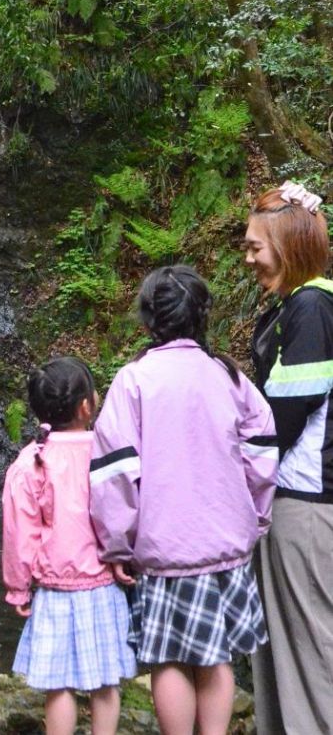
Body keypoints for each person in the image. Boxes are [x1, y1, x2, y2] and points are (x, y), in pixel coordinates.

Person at [89, 265, 278, 735]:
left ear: (148, 321)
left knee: (169, 657)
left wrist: (117, 544)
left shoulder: (133, 381)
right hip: (227, 545)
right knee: (217, 655)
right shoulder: (229, 377)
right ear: (202, 318)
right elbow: (263, 452)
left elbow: (115, 474)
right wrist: (255, 516)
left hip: (163, 547)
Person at [2, 356, 136, 735]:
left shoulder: (31, 462)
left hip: (54, 589)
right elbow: (124, 507)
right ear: (86, 406)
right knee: (105, 683)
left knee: (58, 686)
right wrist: (125, 554)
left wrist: (17, 587)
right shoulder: (105, 451)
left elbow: (18, 532)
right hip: (102, 583)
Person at [245, 180, 333, 735]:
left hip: (303, 505)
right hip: (290, 501)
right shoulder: (299, 306)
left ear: (289, 244)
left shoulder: (311, 308)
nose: (248, 257)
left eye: (256, 246)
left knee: (311, 653)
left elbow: (285, 416)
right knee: (283, 650)